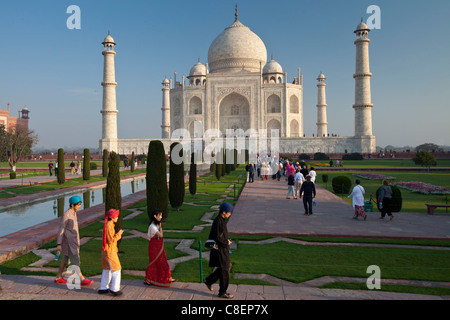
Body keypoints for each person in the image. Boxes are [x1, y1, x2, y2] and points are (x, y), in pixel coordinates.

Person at [55, 196, 94, 286]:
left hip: (73, 241)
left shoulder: (73, 212)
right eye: (78, 205)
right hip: (69, 243)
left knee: (65, 259)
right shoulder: (67, 215)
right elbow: (61, 229)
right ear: (72, 205)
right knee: (75, 260)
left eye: (80, 205)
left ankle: (58, 277)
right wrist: (59, 243)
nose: (79, 206)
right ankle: (82, 279)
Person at [204, 202, 234, 299]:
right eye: (229, 213)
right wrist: (226, 242)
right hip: (220, 249)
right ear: (224, 212)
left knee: (223, 268)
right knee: (225, 270)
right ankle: (222, 292)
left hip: (222, 248)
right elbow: (217, 237)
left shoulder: (221, 220)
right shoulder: (218, 221)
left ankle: (209, 281)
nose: (230, 214)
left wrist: (226, 241)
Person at [144, 210, 175, 287]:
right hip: (154, 247)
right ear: (155, 216)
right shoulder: (152, 226)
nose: (161, 217)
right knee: (156, 262)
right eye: (159, 216)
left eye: (161, 216)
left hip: (157, 246)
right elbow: (161, 235)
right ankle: (149, 279)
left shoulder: (156, 225)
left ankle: (167, 277)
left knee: (162, 261)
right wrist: (161, 228)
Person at [99, 208, 124, 296]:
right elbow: (111, 240)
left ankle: (103, 287)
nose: (117, 218)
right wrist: (119, 234)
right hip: (110, 251)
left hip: (106, 251)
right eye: (116, 216)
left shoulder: (108, 224)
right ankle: (115, 289)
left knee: (106, 269)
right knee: (116, 269)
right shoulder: (109, 226)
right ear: (112, 217)